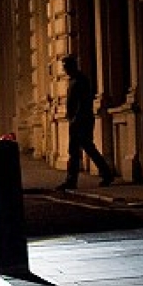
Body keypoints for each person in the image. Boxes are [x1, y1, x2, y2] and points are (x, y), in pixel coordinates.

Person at [57, 54, 118, 192]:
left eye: (66, 66)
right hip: (78, 120)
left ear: (73, 66)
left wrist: (75, 119)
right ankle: (104, 174)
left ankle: (72, 180)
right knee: (85, 148)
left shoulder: (80, 81)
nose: (65, 69)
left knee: (78, 150)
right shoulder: (75, 80)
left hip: (81, 121)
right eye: (64, 66)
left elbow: (83, 103)